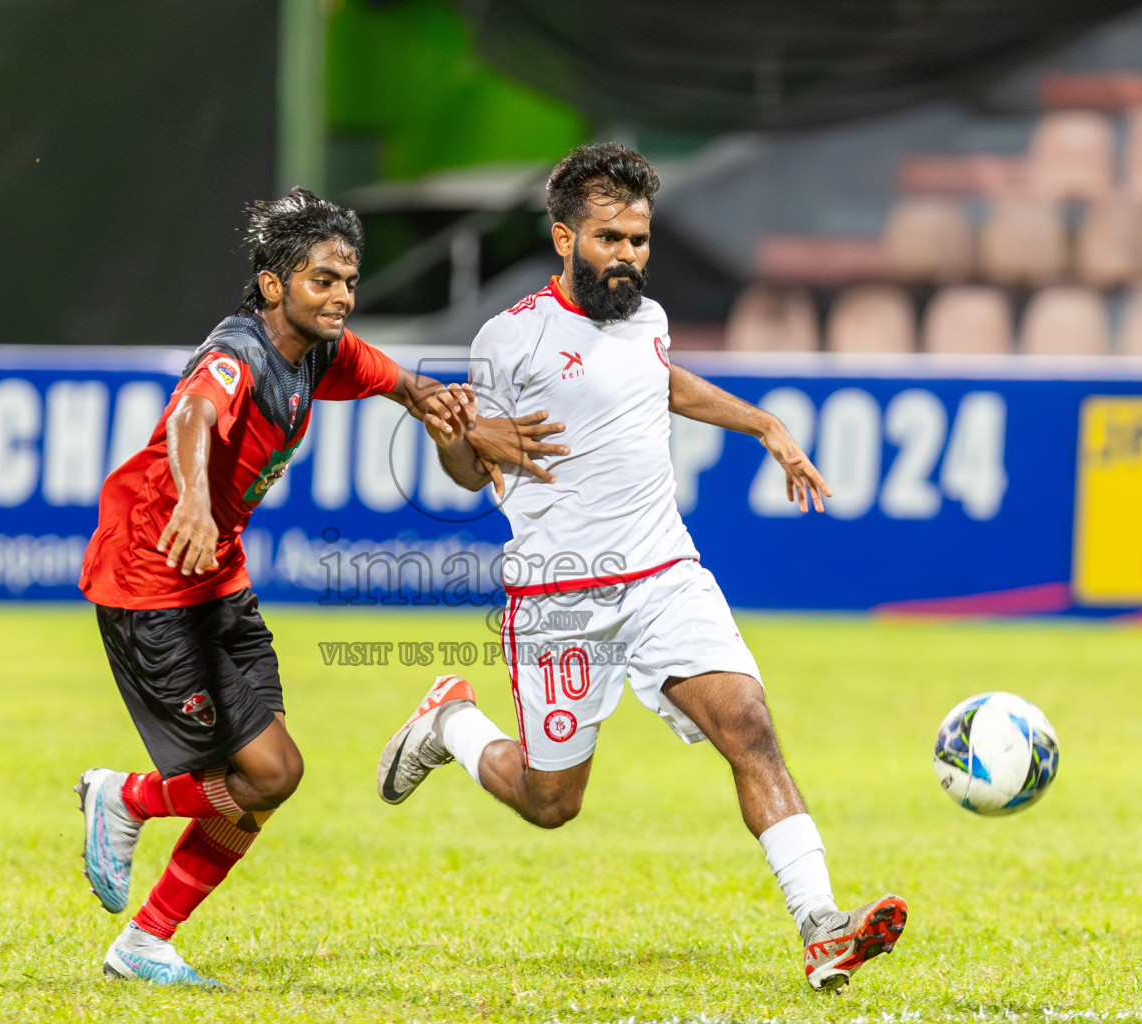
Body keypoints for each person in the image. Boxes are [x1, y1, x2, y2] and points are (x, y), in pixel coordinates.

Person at [376, 144, 908, 992]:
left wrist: (763, 424)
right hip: (558, 599)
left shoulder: (646, 321)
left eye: (640, 239)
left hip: (664, 573)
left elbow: (661, 383)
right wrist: (461, 436)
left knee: (749, 727)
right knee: (552, 804)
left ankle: (820, 925)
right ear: (562, 238)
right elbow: (470, 473)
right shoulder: (511, 338)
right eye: (610, 239)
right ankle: (451, 723)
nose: (628, 257)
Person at [74, 187, 563, 986]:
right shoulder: (240, 352)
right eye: (321, 280)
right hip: (151, 576)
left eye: (348, 280)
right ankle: (125, 800)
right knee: (266, 774)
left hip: (216, 577)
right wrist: (194, 499)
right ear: (273, 285)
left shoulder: (321, 354)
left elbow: (410, 388)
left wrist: (464, 418)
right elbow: (192, 415)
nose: (341, 296)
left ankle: (147, 940)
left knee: (271, 780)